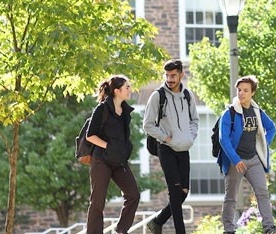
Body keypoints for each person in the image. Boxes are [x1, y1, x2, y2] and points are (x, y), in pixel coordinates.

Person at [218, 75, 276, 234]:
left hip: (254, 160)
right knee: (231, 197)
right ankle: (228, 229)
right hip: (235, 161)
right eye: (239, 90)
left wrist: (262, 145)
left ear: (252, 92)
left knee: (263, 193)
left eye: (245, 90)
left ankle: (269, 228)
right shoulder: (230, 113)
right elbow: (223, 139)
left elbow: (272, 128)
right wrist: (235, 159)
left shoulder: (257, 112)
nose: (241, 93)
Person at [144, 59, 200, 234]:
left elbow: (195, 120)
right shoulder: (157, 96)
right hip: (166, 148)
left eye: (173, 75)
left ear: (181, 74)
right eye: (167, 75)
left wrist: (190, 137)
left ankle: (157, 221)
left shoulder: (187, 95)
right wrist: (164, 138)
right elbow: (147, 124)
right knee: (175, 193)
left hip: (184, 148)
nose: (170, 79)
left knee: (183, 192)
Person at [85, 75, 139, 234]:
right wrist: (109, 146)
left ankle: (121, 230)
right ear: (117, 90)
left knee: (133, 195)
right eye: (127, 87)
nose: (130, 90)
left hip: (119, 162)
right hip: (101, 160)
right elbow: (90, 135)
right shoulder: (102, 109)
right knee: (97, 203)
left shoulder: (125, 112)